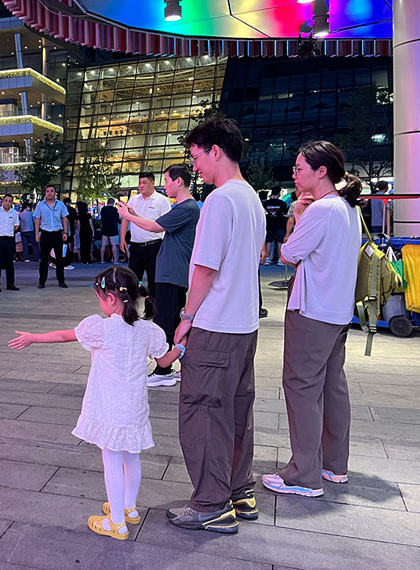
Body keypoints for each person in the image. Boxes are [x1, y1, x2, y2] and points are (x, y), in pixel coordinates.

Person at [9, 266, 183, 540]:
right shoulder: (148, 330)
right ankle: (129, 508)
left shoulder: (102, 328)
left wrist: (33, 338)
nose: (99, 303)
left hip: (110, 408)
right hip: (135, 408)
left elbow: (65, 335)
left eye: (99, 298)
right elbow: (164, 360)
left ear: (111, 299)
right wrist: (181, 348)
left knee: (112, 461)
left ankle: (116, 523)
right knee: (131, 456)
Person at [169, 116, 265, 534]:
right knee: (237, 411)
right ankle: (239, 490)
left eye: (196, 157)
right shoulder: (252, 198)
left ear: (215, 150)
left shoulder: (220, 200)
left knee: (204, 411)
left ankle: (211, 503)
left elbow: (206, 269)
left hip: (216, 325)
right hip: (244, 326)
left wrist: (186, 317)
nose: (195, 167)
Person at [261, 141, 362, 498]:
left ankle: (303, 475)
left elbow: (289, 253)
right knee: (333, 387)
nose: (294, 173)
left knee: (302, 387)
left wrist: (298, 217)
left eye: (299, 168)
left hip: (312, 310)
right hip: (337, 311)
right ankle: (334, 465)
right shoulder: (348, 208)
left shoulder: (321, 210)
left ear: (321, 171)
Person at [118, 164, 199, 388]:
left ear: (179, 181)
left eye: (168, 180)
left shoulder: (187, 207)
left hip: (172, 273)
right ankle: (182, 365)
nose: (165, 185)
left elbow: (155, 227)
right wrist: (133, 214)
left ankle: (164, 369)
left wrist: (128, 216)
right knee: (173, 320)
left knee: (164, 321)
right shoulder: (182, 207)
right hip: (171, 272)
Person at [119, 172, 171, 298]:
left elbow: (166, 224)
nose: (141, 186)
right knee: (132, 281)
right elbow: (126, 219)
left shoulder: (162, 200)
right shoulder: (133, 200)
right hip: (136, 246)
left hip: (154, 246)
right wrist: (122, 239)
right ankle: (131, 307)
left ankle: (152, 307)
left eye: (144, 183)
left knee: (154, 280)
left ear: (152, 183)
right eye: (140, 183)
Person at [33, 185, 70, 288]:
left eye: (52, 191)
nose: (49, 193)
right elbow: (37, 220)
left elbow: (64, 218)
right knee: (44, 259)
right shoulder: (40, 205)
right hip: (45, 233)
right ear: (45, 193)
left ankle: (61, 280)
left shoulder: (60, 204)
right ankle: (42, 281)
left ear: (55, 193)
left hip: (57, 233)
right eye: (47, 191)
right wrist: (37, 234)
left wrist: (65, 232)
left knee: (60, 258)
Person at [0, 194, 20, 292]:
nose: (7, 203)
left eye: (10, 201)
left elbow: (16, 226)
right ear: (3, 201)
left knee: (9, 263)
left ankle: (10, 284)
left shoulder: (14, 213)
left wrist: (9, 231)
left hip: (9, 239)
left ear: (12, 202)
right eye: (6, 201)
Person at [262, 186, 288, 264]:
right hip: (280, 224)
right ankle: (280, 260)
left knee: (269, 241)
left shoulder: (266, 203)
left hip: (269, 224)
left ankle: (267, 259)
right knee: (280, 242)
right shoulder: (282, 203)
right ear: (279, 193)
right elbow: (285, 213)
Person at [100, 198, 119, 263]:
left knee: (103, 245)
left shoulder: (103, 209)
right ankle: (115, 260)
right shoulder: (114, 210)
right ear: (113, 203)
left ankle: (102, 260)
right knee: (114, 245)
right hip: (113, 228)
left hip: (105, 228)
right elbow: (117, 219)